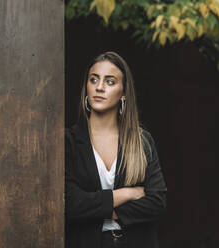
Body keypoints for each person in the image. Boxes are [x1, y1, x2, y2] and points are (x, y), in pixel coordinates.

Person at [65, 51, 167, 248]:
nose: (100, 87)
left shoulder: (141, 141)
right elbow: (70, 203)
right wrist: (127, 194)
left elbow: (157, 202)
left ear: (123, 93)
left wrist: (102, 210)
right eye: (94, 79)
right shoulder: (67, 141)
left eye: (110, 82)